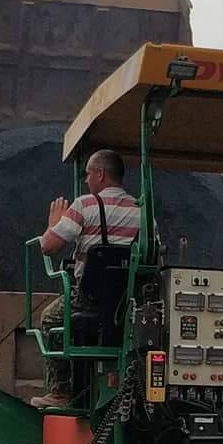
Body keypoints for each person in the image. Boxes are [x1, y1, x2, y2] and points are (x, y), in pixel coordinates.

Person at [33, 150, 140, 407]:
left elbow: (48, 246)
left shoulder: (85, 205)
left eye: (87, 174)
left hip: (88, 297)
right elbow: (152, 253)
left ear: (100, 174)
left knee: (50, 318)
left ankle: (60, 391)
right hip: (128, 300)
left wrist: (53, 223)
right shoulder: (142, 212)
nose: (85, 180)